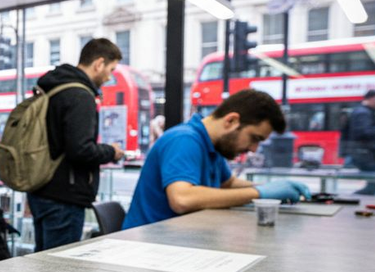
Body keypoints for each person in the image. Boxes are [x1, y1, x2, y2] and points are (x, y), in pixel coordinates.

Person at [123, 89, 311, 230]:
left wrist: (272, 188)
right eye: (254, 138)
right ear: (231, 121)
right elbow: (182, 199)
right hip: (148, 247)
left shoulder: (213, 145)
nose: (254, 149)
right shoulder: (184, 140)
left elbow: (228, 184)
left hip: (177, 239)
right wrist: (259, 193)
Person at [25, 38, 125, 250]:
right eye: (111, 69)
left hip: (41, 188)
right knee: (59, 265)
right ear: (99, 63)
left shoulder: (54, 88)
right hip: (64, 196)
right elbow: (80, 149)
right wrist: (111, 152)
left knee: (43, 260)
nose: (109, 77)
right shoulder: (80, 95)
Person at [341, 89, 375, 195]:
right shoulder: (363, 113)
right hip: (364, 153)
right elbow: (363, 133)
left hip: (366, 153)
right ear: (371, 99)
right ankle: (357, 198)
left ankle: (358, 197)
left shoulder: (366, 111)